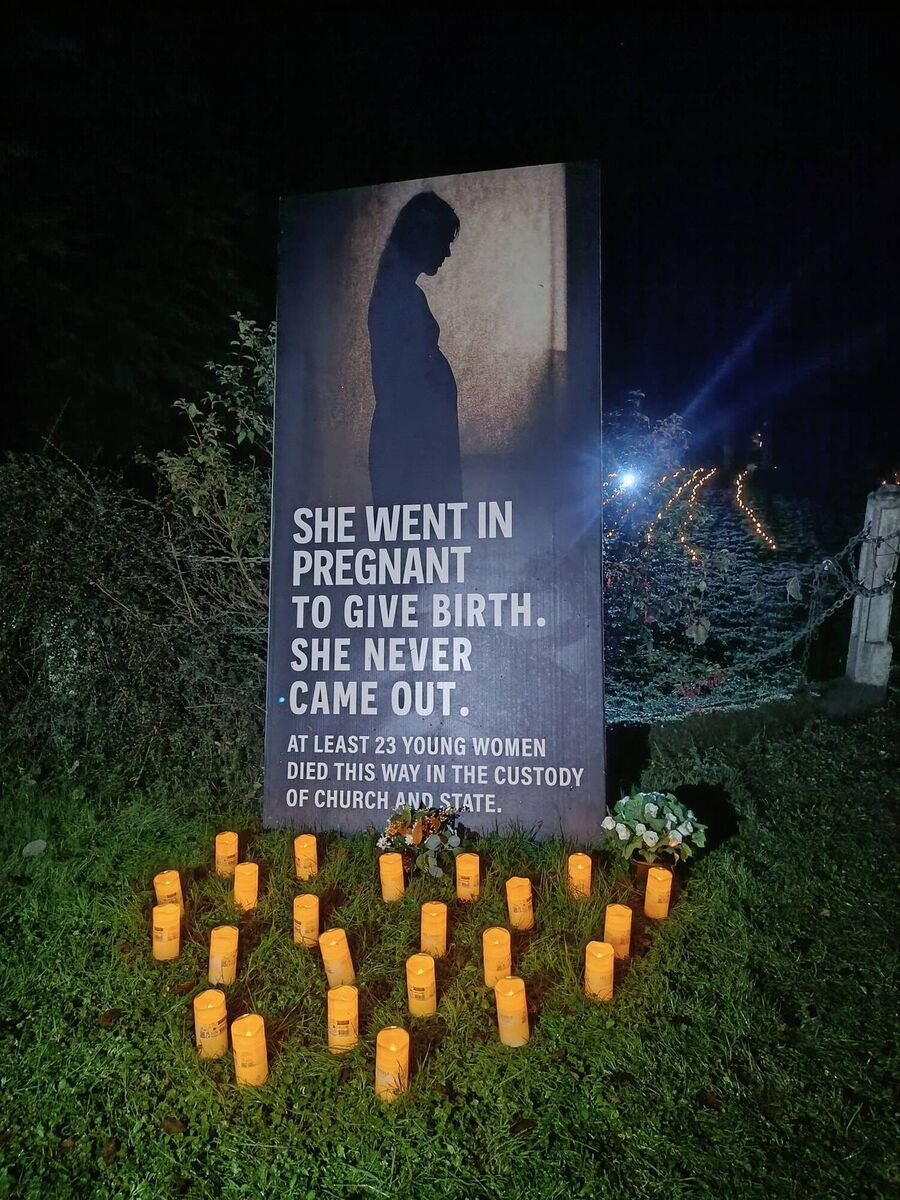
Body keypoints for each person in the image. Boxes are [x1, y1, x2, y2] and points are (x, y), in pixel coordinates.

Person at [368, 192, 462, 506]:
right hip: (413, 453)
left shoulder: (400, 291)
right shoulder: (398, 294)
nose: (447, 252)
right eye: (444, 240)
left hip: (418, 449)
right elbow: (402, 382)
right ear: (424, 236)